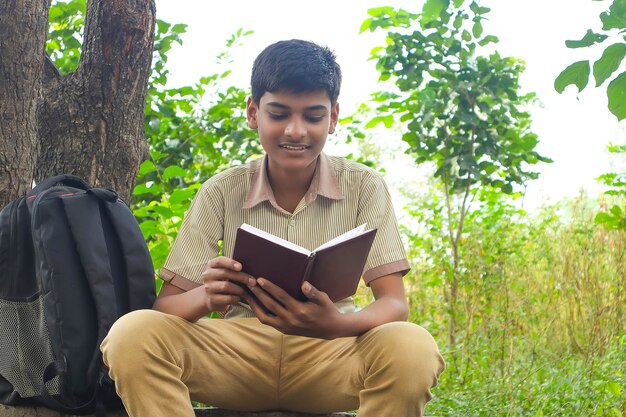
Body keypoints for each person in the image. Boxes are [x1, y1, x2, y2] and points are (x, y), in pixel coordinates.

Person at [101, 39, 445, 417]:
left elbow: (394, 304)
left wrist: (336, 324)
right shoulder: (221, 190)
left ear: (333, 118)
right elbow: (165, 309)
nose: (296, 131)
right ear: (253, 113)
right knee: (132, 333)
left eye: (313, 116)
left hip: (331, 353)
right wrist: (208, 297)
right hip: (235, 355)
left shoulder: (363, 185)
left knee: (413, 346)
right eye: (278, 113)